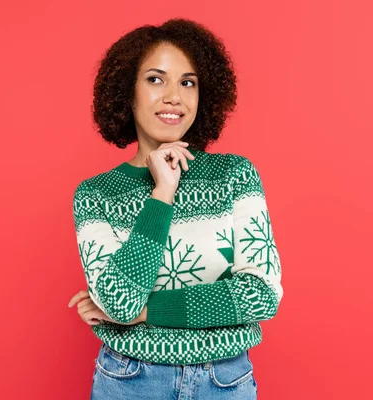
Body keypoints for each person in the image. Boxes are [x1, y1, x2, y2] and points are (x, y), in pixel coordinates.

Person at [68, 18, 283, 399]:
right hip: (129, 381)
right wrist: (162, 193)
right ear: (127, 94)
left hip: (225, 383)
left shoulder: (234, 175)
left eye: (187, 82)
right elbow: (119, 302)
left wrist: (146, 313)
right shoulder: (95, 195)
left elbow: (261, 294)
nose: (174, 96)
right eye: (155, 79)